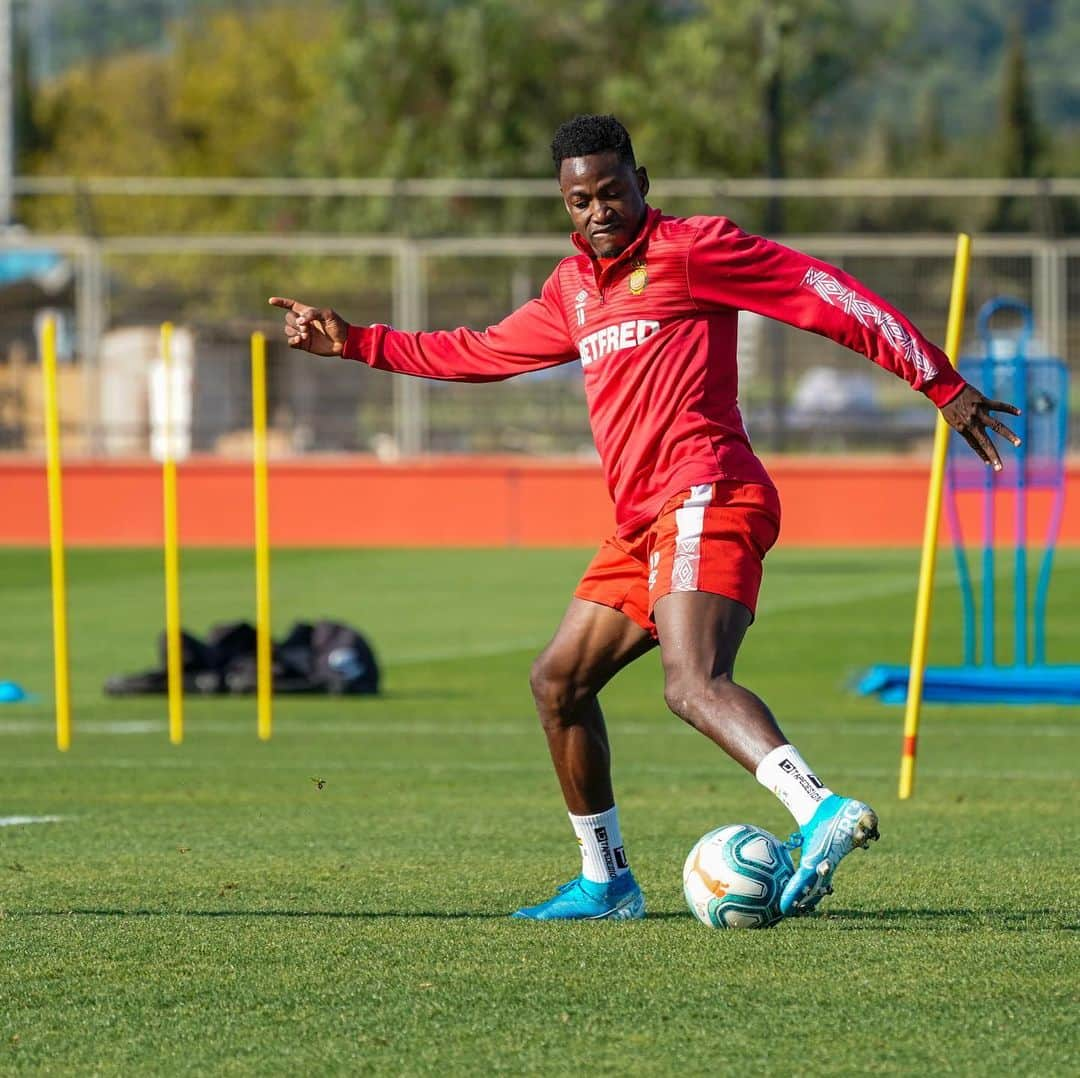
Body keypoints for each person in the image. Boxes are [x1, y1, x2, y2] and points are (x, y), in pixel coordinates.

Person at [270, 114, 1020, 921]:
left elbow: (822, 295)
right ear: (565, 205)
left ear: (642, 184)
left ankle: (819, 809)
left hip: (711, 491)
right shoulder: (571, 291)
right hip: (642, 524)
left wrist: (939, 382)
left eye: (612, 192)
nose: (598, 211)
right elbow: (478, 351)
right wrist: (355, 341)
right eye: (580, 199)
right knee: (558, 682)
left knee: (692, 682)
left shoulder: (695, 249)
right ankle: (607, 880)